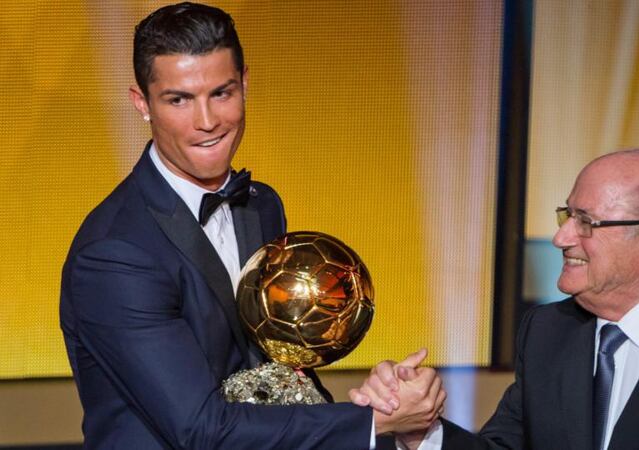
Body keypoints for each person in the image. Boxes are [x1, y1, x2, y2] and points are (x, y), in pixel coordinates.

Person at [60, 3, 443, 448]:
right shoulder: (115, 252)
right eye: (179, 99)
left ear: (244, 83)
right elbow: (200, 430)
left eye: (221, 93)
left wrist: (383, 401)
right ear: (142, 103)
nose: (207, 122)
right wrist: (370, 425)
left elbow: (278, 372)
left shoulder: (261, 206)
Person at [355, 147, 639, 449]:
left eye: (587, 222)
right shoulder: (548, 332)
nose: (561, 236)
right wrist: (420, 431)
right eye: (568, 214)